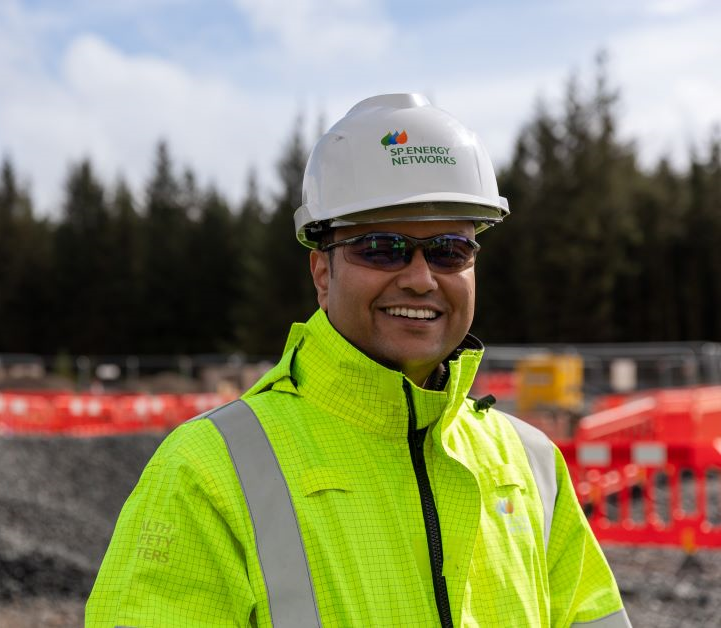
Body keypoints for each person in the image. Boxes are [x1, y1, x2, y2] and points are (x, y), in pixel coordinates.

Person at [86, 94, 630, 627]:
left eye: (448, 250)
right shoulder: (209, 469)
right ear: (322, 273)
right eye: (381, 248)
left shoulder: (531, 463)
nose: (420, 278)